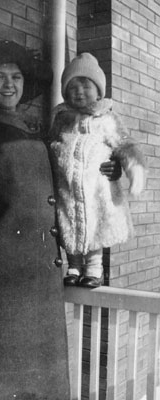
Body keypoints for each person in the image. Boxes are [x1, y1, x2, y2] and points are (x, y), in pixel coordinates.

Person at [0, 42, 121, 399]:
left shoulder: (34, 133)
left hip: (43, 280)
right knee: (10, 381)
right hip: (5, 284)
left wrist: (112, 168)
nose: (9, 84)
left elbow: (77, 176)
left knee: (47, 383)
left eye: (16, 77)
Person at [49, 52, 146, 289]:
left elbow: (125, 145)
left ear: (98, 90)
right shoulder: (61, 120)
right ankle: (73, 266)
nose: (79, 91)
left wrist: (134, 171)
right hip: (67, 190)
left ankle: (93, 268)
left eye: (85, 85)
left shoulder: (107, 119)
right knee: (69, 223)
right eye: (72, 86)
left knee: (94, 223)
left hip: (96, 190)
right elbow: (50, 147)